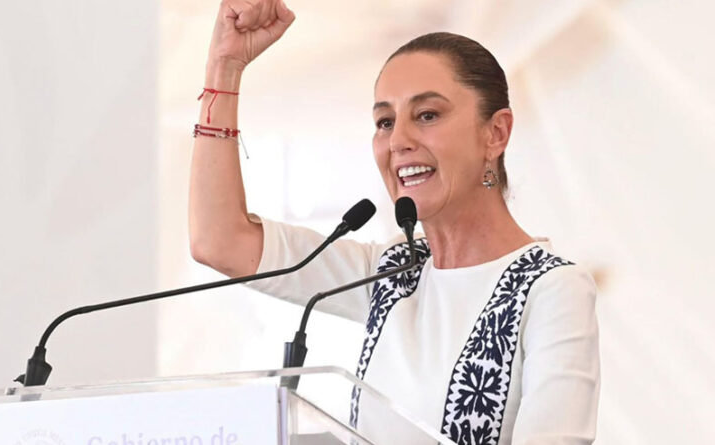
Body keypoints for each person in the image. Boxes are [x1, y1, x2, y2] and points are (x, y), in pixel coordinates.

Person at [188, 1, 600, 444]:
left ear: (495, 133)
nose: (398, 140)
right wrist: (224, 69)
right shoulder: (392, 272)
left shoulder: (552, 290)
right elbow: (220, 241)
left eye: (427, 115)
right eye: (385, 121)